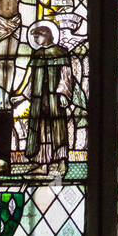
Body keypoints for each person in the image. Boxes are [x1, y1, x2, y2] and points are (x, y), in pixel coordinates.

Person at [23, 21, 74, 171]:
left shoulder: (61, 52)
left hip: (55, 98)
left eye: (38, 37)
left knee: (58, 128)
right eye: (34, 38)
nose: (35, 40)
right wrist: (23, 96)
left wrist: (63, 93)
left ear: (47, 36)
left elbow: (66, 75)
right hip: (39, 98)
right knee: (40, 128)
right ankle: (42, 162)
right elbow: (32, 80)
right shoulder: (37, 54)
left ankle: (61, 161)